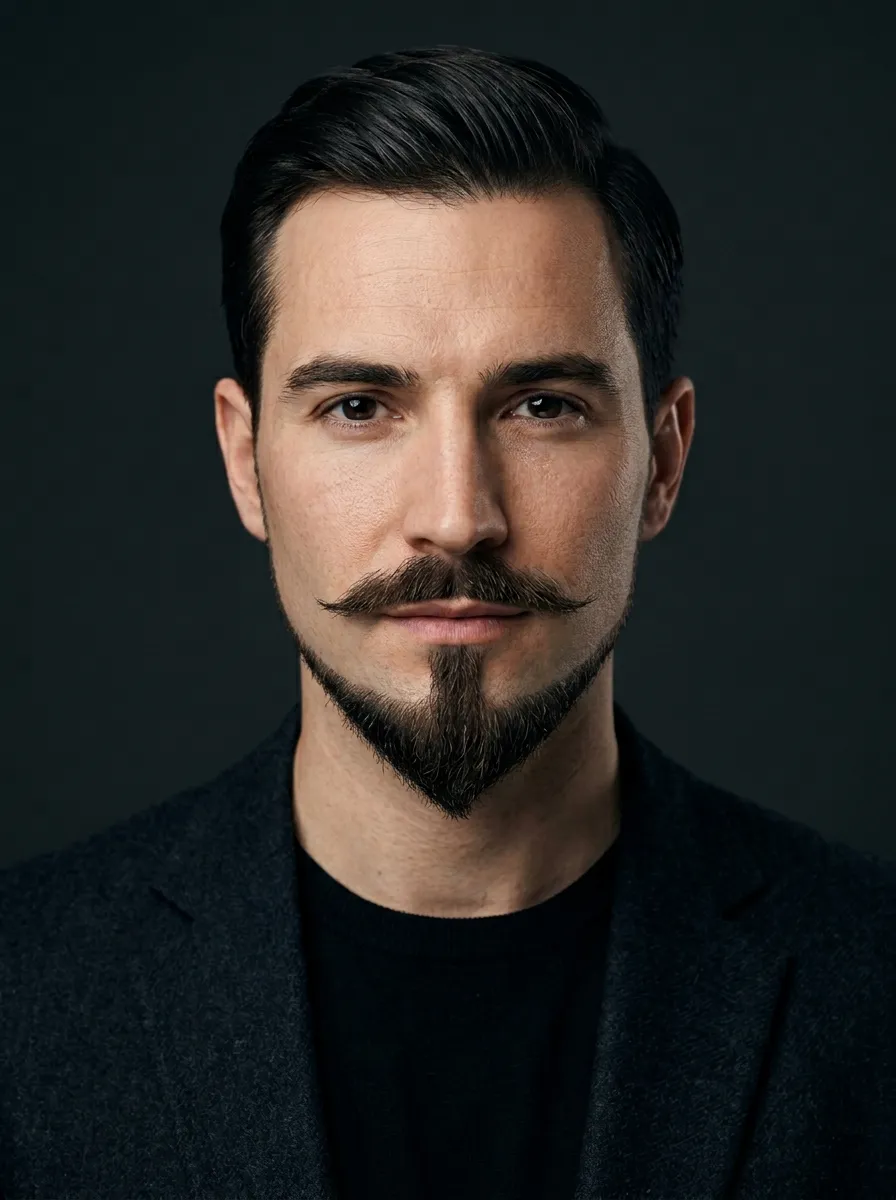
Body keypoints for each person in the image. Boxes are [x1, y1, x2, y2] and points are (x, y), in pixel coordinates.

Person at [2, 44, 894, 1200]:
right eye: (358, 406)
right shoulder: (25, 995)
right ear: (245, 460)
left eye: (541, 406)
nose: (457, 518)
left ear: (662, 461)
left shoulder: (869, 988)